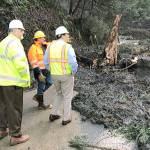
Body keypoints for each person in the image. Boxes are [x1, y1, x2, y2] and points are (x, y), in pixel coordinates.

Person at [0, 20, 30, 145]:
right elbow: (21, 65)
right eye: (21, 30)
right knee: (15, 109)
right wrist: (26, 79)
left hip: (2, 81)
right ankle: (16, 135)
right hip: (14, 83)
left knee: (3, 107)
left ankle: (2, 129)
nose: (23, 32)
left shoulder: (3, 42)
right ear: (15, 30)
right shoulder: (15, 43)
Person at [44, 26, 78, 125]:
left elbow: (45, 62)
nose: (68, 36)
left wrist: (51, 70)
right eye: (67, 34)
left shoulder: (50, 46)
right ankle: (66, 118)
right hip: (66, 75)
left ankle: (54, 113)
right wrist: (73, 73)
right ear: (62, 35)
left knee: (59, 93)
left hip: (54, 75)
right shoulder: (67, 47)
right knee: (67, 96)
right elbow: (73, 63)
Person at [28, 31, 53, 110]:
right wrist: (39, 74)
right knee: (41, 86)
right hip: (39, 71)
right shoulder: (33, 48)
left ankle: (38, 96)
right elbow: (34, 63)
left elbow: (52, 44)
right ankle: (41, 104)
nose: (44, 39)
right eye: (43, 37)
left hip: (46, 69)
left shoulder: (43, 45)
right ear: (38, 39)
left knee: (50, 83)